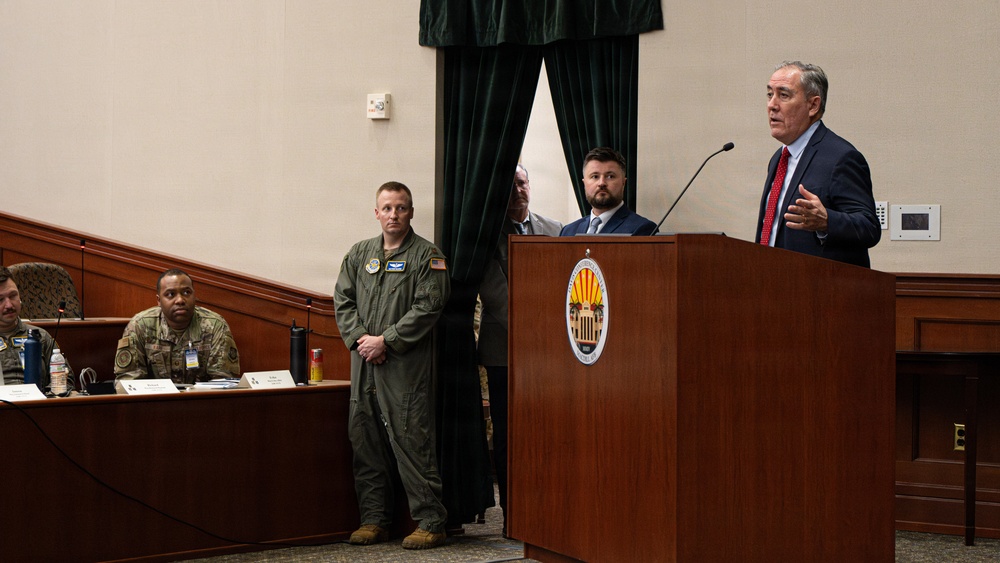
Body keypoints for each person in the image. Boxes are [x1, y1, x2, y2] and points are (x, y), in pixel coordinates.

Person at [333, 181, 451, 550]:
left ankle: (431, 521)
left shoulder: (427, 256)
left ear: (411, 212)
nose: (394, 215)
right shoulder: (359, 254)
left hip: (405, 367)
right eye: (387, 208)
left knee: (411, 439)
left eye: (401, 208)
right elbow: (343, 300)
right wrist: (361, 341)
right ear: (376, 212)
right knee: (364, 438)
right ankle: (373, 520)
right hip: (364, 365)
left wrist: (387, 341)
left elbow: (429, 306)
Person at [478, 164, 562, 534]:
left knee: (548, 430)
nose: (517, 192)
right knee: (510, 433)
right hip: (504, 353)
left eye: (522, 183)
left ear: (531, 186)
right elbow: (496, 296)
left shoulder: (557, 230)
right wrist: (537, 332)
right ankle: (514, 516)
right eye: (510, 186)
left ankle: (549, 509)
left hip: (555, 355)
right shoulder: (486, 237)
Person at [756, 61, 881, 267]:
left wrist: (826, 221)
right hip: (772, 283)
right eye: (770, 94)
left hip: (817, 290)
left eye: (784, 95)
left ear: (813, 105)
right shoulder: (779, 158)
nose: (772, 105)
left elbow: (869, 228)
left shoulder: (841, 157)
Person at [114, 269, 240, 383]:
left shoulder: (215, 325)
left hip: (201, 404)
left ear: (194, 295)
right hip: (153, 404)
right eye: (170, 294)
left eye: (186, 292)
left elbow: (224, 382)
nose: (180, 300)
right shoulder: (140, 325)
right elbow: (128, 381)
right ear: (159, 300)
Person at [0, 266, 76, 390]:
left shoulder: (40, 336)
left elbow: (67, 380)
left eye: (13, 296)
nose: (9, 305)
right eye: (0, 300)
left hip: (37, 405)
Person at [559, 147, 658, 236]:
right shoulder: (568, 231)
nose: (601, 183)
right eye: (595, 176)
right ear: (584, 183)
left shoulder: (643, 229)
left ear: (623, 182)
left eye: (610, 176)